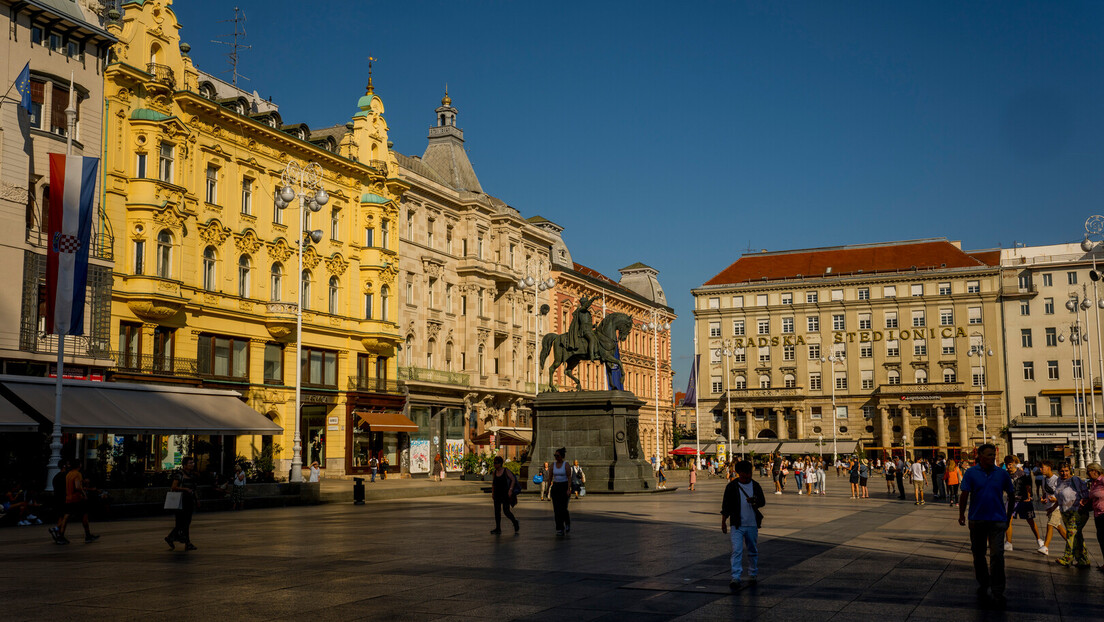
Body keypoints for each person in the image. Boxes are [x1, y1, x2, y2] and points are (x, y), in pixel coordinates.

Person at [959, 443, 1014, 606]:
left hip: (997, 520)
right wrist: (961, 514)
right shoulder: (971, 473)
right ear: (980, 456)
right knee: (978, 554)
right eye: (989, 455)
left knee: (997, 555)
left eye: (994, 454)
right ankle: (983, 581)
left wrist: (1008, 516)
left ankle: (998, 588)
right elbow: (964, 494)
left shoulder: (1002, 474)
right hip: (977, 520)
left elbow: (1011, 495)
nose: (992, 457)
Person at [721, 460, 766, 592]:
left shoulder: (755, 485)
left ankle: (753, 573)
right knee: (737, 550)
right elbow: (726, 506)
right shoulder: (732, 486)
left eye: (749, 473)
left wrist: (755, 501)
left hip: (752, 524)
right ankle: (735, 577)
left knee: (752, 550)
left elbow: (762, 502)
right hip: (737, 524)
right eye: (745, 473)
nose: (747, 476)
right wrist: (723, 522)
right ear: (738, 473)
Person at [1004, 456, 1044, 553]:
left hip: (1023, 500)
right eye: (1006, 464)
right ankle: (1008, 542)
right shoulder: (1005, 475)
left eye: (1009, 464)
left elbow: (1028, 486)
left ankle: (1039, 540)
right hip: (1011, 500)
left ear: (1014, 463)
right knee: (1007, 521)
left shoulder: (1022, 473)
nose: (1008, 467)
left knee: (1030, 521)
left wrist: (1029, 496)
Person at [1054, 462, 1090, 568]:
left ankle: (1067, 558)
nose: (1064, 473)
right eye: (1062, 471)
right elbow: (1059, 496)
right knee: (1077, 535)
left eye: (1066, 471)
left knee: (1070, 534)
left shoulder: (1075, 480)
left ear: (1070, 470)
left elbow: (1085, 494)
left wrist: (1081, 504)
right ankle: (1083, 559)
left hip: (1077, 511)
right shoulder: (1059, 481)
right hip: (1065, 511)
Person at [55, 462, 99, 545]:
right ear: (79, 465)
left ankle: (60, 535)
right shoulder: (77, 474)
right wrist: (84, 493)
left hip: (69, 498)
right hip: (77, 498)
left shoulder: (68, 474)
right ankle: (88, 535)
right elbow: (77, 486)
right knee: (84, 516)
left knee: (66, 516)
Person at [166, 456, 199, 551]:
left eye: (193, 463)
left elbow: (194, 488)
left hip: (189, 500)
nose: (192, 464)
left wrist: (197, 499)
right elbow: (174, 487)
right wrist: (185, 489)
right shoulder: (179, 474)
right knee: (182, 522)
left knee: (186, 522)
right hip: (181, 501)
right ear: (184, 465)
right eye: (190, 463)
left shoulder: (192, 475)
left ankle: (172, 538)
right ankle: (186, 542)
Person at [1039, 460, 1066, 556]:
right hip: (1049, 507)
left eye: (1042, 467)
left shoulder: (1057, 479)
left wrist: (1055, 500)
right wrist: (1043, 499)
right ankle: (1073, 544)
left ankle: (1045, 547)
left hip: (1057, 507)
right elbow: (1044, 493)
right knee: (1058, 527)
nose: (1040, 469)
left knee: (1050, 524)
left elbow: (1061, 494)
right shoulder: (1043, 479)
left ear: (1049, 468)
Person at [489, 456, 520, 534]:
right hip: (497, 494)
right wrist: (493, 493)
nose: (494, 465)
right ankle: (498, 528)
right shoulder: (494, 472)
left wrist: (510, 490)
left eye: (496, 463)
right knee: (497, 511)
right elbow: (493, 483)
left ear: (500, 463)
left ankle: (515, 522)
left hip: (505, 494)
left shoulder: (505, 471)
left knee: (506, 511)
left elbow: (513, 479)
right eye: (494, 463)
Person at [1084, 463, 1104, 570]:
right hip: (1097, 515)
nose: (1087, 474)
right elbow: (1092, 497)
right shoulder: (1094, 483)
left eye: (1088, 472)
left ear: (1095, 471)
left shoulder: (1102, 480)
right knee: (1101, 540)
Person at [549, 448, 572, 536]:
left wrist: (568, 489)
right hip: (556, 487)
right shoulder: (552, 465)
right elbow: (550, 477)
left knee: (563, 508)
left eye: (557, 455)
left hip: (564, 486)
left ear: (562, 456)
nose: (556, 457)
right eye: (555, 455)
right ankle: (559, 528)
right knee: (556, 509)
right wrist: (548, 488)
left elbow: (569, 477)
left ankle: (567, 522)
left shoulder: (566, 465)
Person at [47, 460, 68, 543]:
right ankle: (56, 530)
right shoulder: (66, 476)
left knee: (61, 516)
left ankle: (60, 535)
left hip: (57, 499)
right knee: (67, 516)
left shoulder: (56, 477)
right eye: (67, 464)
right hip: (64, 498)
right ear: (64, 466)